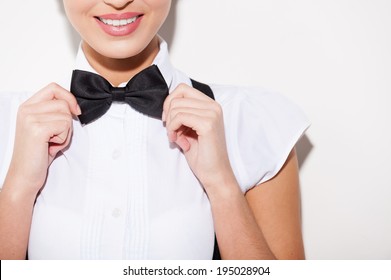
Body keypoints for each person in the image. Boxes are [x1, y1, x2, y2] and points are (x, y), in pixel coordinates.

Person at [0, 0, 309, 260]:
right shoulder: (6, 120)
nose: (119, 0)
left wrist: (221, 185)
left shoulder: (251, 119)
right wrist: (18, 189)